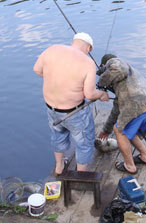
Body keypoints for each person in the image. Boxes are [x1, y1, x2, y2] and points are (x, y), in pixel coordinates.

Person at [33, 33, 109, 174]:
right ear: (88, 48)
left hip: (52, 109)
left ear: (73, 42)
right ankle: (80, 174)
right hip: (74, 112)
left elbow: (37, 69)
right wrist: (102, 95)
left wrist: (56, 80)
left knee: (58, 135)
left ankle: (59, 166)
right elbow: (90, 94)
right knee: (84, 143)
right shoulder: (87, 63)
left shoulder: (52, 49)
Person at [97, 54, 146, 174]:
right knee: (127, 128)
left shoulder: (115, 63)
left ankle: (130, 166)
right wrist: (106, 131)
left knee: (120, 131)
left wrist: (101, 82)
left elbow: (119, 68)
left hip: (139, 107)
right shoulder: (127, 83)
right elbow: (116, 111)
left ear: (105, 66)